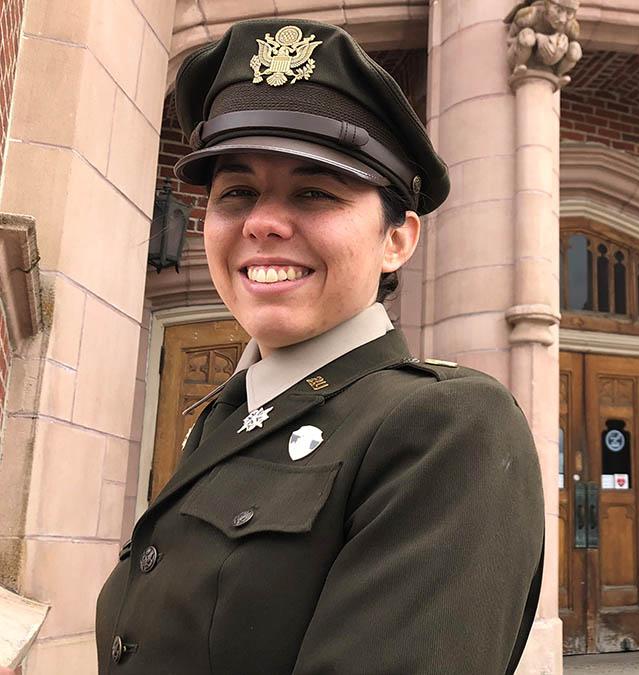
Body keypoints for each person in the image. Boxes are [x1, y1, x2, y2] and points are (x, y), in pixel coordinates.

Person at [93, 18, 544, 674]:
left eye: (314, 192)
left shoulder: (449, 430)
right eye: (237, 191)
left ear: (399, 238)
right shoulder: (226, 416)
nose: (262, 222)